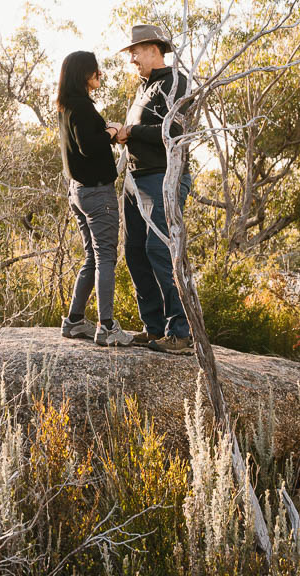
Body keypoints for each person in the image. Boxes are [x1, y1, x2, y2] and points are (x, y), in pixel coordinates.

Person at [111, 24, 194, 355]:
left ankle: (181, 333)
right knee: (134, 252)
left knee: (160, 251)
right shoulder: (143, 89)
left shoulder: (175, 81)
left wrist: (129, 131)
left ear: (154, 50)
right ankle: (154, 327)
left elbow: (171, 128)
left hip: (162, 178)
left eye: (135, 51)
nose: (131, 58)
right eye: (131, 52)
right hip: (134, 180)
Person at [54, 50, 132, 346]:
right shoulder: (82, 108)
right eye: (95, 71)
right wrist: (112, 132)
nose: (100, 74)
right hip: (97, 192)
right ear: (83, 75)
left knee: (92, 256)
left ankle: (74, 321)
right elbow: (89, 146)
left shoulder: (67, 107)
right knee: (106, 258)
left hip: (78, 192)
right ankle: (107, 327)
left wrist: (105, 131)